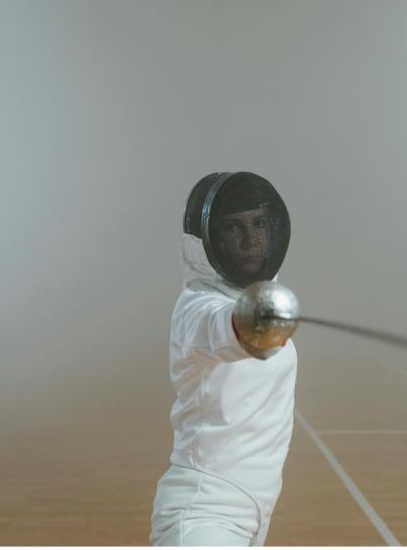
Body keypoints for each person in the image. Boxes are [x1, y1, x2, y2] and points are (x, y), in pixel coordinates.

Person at [150, 172, 297, 546]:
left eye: (259, 223)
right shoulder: (196, 307)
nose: (250, 240)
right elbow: (222, 329)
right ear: (208, 241)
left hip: (252, 516)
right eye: (233, 228)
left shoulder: (257, 299)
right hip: (204, 517)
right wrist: (250, 321)